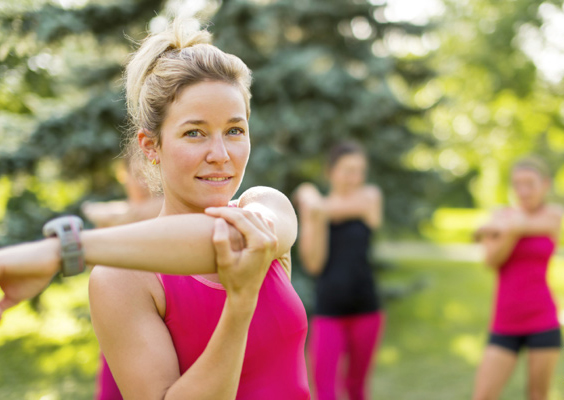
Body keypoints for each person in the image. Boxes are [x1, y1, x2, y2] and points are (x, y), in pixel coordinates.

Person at [0, 19, 310, 399]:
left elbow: (229, 238)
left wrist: (57, 252)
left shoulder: (266, 207)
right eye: (194, 132)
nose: (221, 155)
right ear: (150, 146)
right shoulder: (120, 278)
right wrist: (239, 303)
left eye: (234, 130)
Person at [294, 142, 385, 400]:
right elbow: (314, 264)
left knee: (357, 388)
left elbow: (322, 207)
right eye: (347, 170)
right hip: (329, 310)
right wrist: (315, 216)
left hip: (366, 309)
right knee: (324, 392)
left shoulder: (369, 197)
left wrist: (309, 197)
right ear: (330, 172)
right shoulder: (316, 211)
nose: (354, 178)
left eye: (359, 171)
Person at [473, 157, 562, 400]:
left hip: (543, 317)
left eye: (530, 184)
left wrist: (502, 227)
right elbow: (491, 261)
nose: (523, 191)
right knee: (483, 396)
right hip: (505, 320)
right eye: (517, 184)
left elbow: (544, 223)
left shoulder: (553, 215)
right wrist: (512, 230)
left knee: (537, 395)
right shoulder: (502, 217)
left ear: (545, 184)